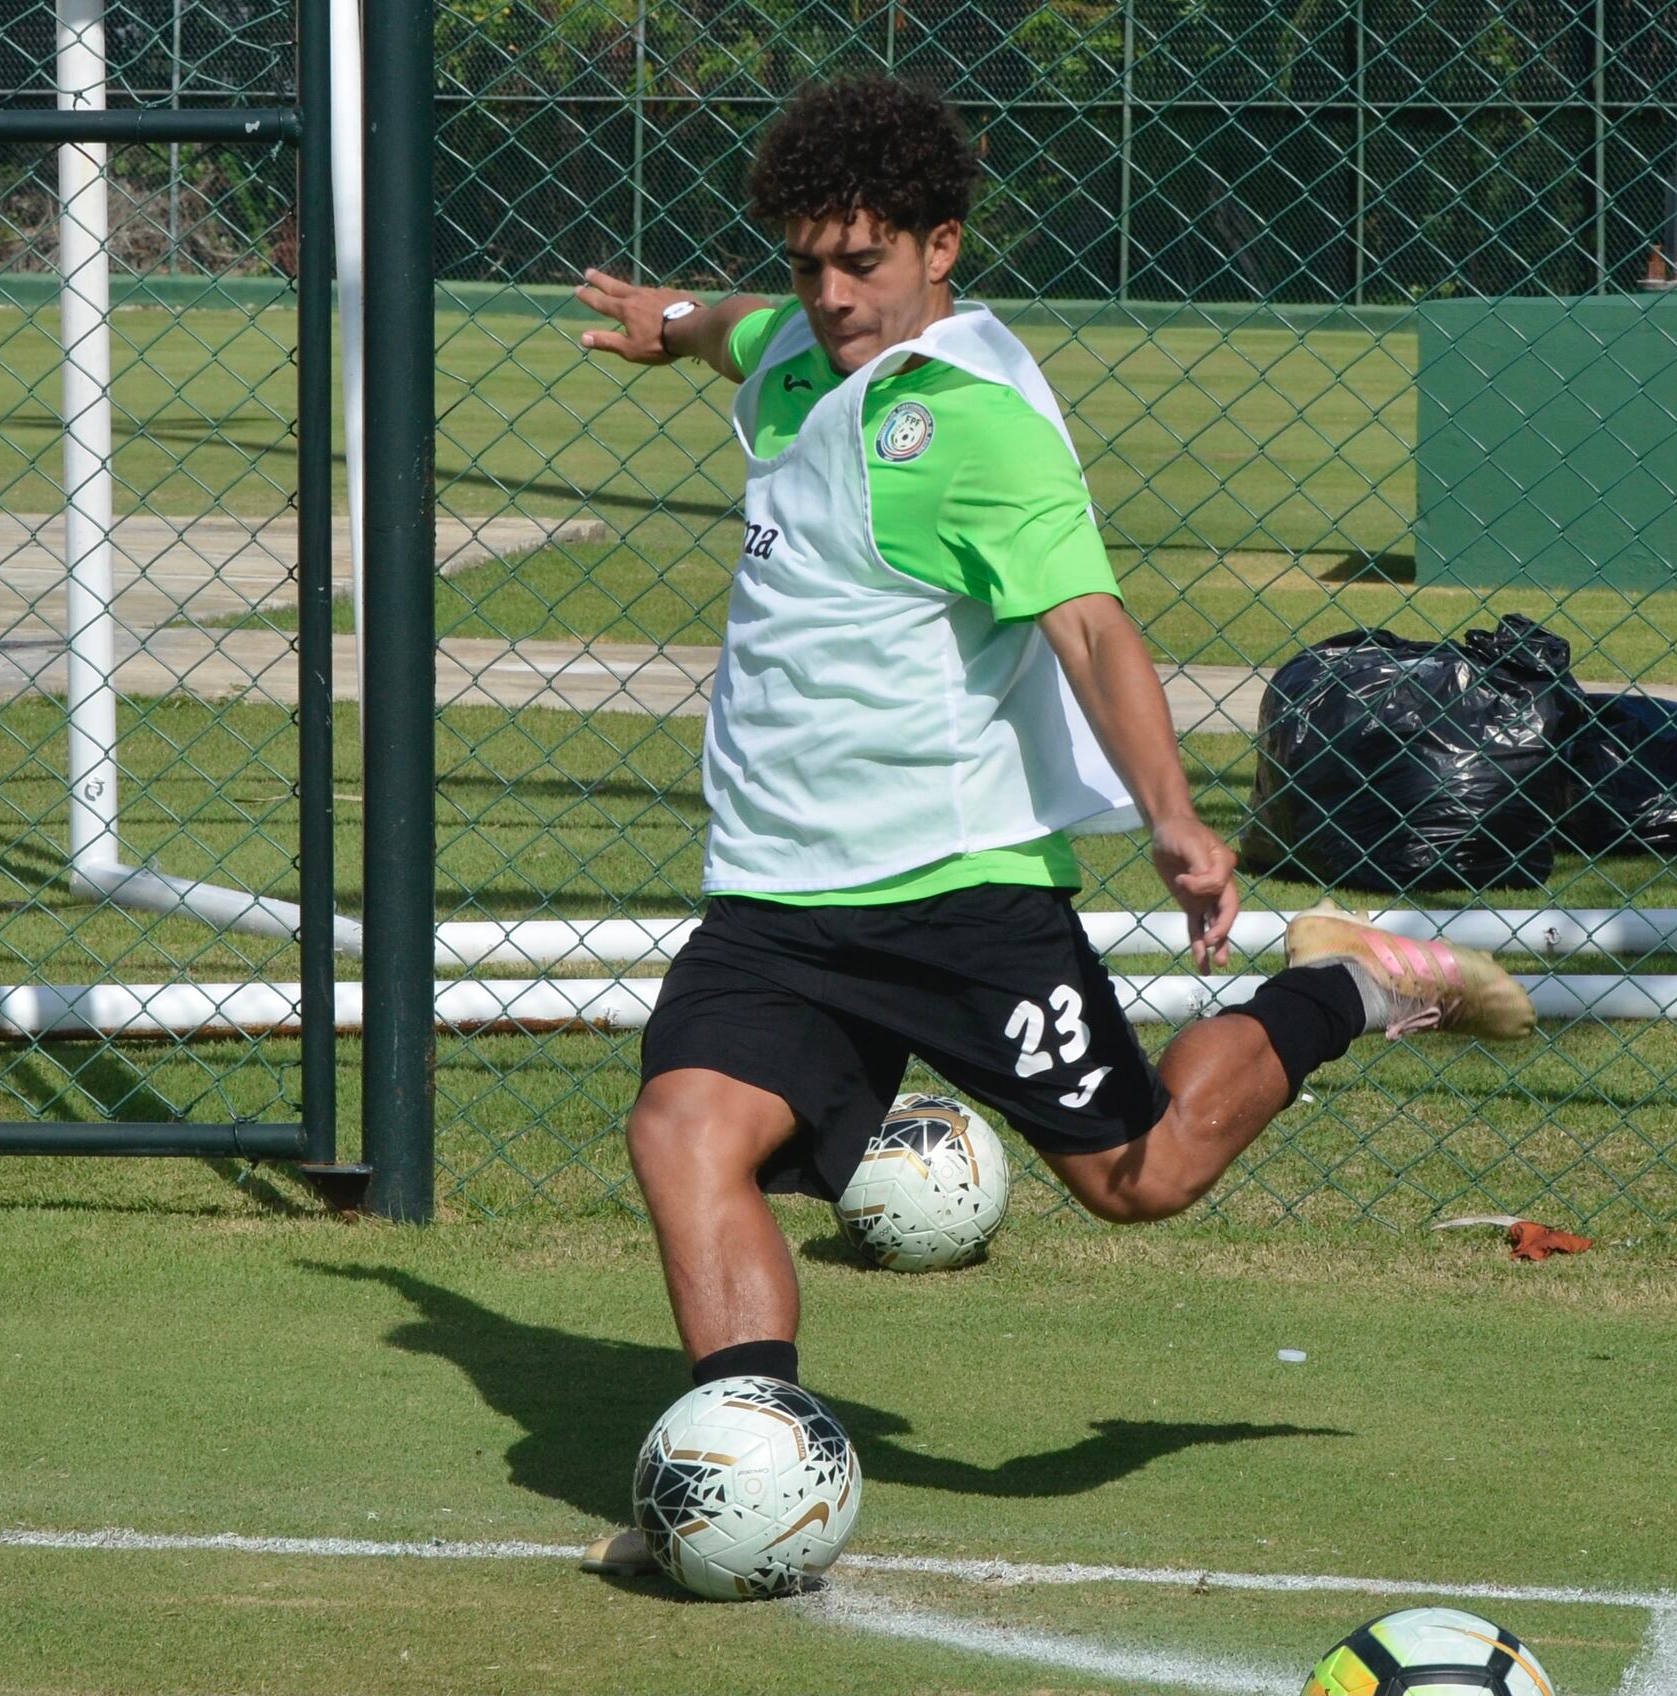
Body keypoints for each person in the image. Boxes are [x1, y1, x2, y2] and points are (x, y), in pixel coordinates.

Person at [567, 75, 1537, 1576]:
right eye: (809, 260)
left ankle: (1350, 979)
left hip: (957, 895)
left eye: (861, 264)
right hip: (776, 897)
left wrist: (1177, 821)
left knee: (1140, 1178)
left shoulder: (977, 427)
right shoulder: (794, 348)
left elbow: (1090, 626)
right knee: (684, 1128)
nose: (827, 296)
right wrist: (674, 320)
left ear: (941, 247)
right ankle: (743, 1471)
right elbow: (733, 333)